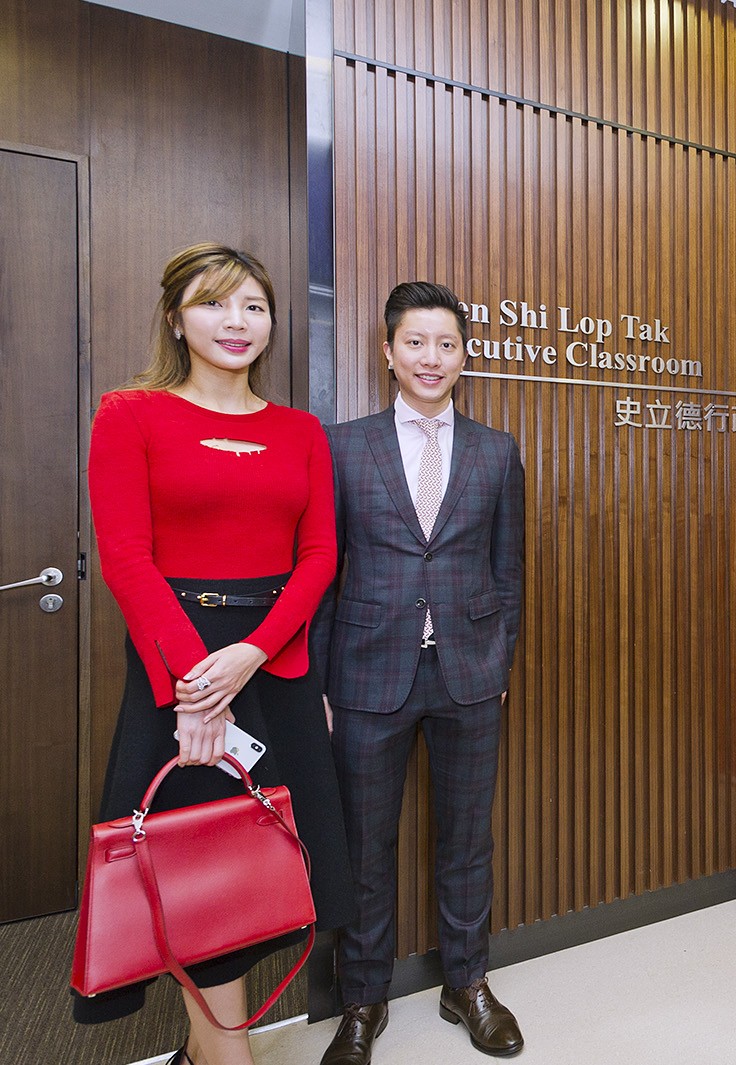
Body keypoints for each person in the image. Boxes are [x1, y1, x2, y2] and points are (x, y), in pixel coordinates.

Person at [82, 242, 355, 1065]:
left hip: (274, 666)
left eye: (254, 307)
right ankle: (224, 1055)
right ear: (176, 316)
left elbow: (319, 559)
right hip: (180, 667)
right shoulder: (128, 414)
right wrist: (198, 690)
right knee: (191, 861)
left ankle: (212, 1052)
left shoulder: (300, 430)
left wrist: (254, 654)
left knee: (262, 864)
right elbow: (127, 561)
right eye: (214, 303)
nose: (237, 323)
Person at [315, 282, 526, 1062]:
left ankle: (465, 981)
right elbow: (325, 572)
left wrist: (500, 659)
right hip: (366, 676)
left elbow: (510, 571)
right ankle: (363, 999)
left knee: (467, 839)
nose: (430, 358)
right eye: (415, 343)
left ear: (464, 355)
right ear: (388, 352)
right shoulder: (342, 446)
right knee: (365, 845)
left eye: (445, 344)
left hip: (469, 673)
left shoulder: (497, 449)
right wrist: (323, 686)